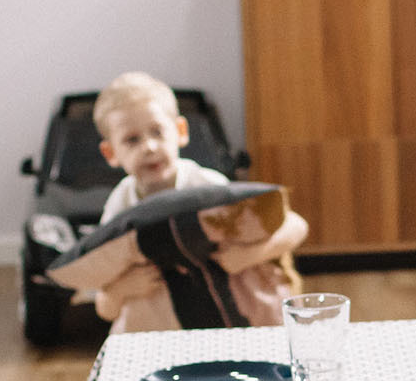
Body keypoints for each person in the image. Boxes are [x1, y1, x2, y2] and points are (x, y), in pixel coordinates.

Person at [87, 71, 307, 329]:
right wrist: (121, 290)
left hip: (223, 317)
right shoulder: (119, 208)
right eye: (132, 140)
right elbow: (105, 308)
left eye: (157, 132)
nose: (149, 147)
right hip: (160, 335)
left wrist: (250, 254)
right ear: (111, 153)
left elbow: (296, 226)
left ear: (180, 131)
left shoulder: (207, 187)